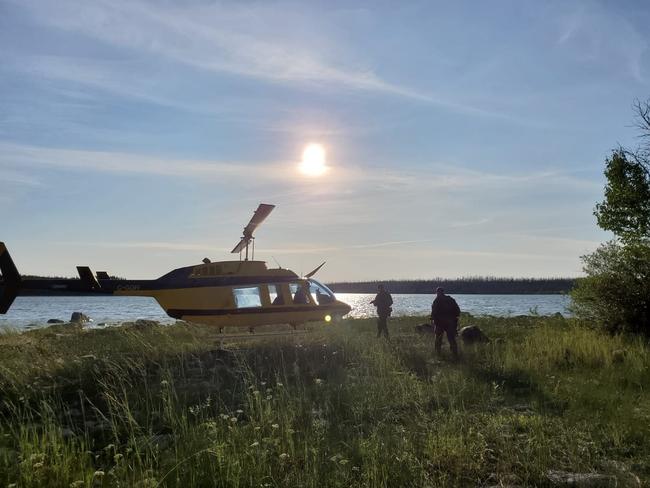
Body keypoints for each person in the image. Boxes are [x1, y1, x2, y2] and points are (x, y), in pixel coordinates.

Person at [431, 287, 460, 359]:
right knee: (451, 339)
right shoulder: (451, 300)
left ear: (437, 292)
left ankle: (438, 355)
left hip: (440, 323)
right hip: (450, 322)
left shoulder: (436, 300)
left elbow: (433, 313)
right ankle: (455, 355)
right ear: (443, 292)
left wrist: (434, 320)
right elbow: (458, 312)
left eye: (437, 293)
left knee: (438, 339)